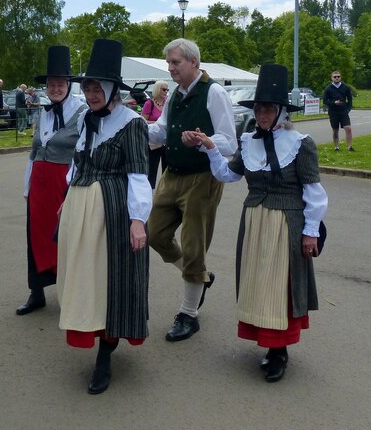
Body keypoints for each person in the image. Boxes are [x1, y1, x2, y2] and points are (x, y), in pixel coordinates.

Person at [188, 64, 328, 382]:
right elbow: (228, 174)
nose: (262, 114)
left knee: (279, 287)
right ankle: (267, 344)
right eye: (259, 108)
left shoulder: (301, 143)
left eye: (268, 109)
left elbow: (315, 193)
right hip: (253, 221)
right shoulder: (249, 140)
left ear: (280, 111)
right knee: (258, 283)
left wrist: (310, 231)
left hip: (286, 224)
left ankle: (279, 351)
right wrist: (211, 148)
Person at [57, 39, 151, 395]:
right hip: (80, 210)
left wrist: (138, 219)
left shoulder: (132, 124)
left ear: (113, 89)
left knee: (108, 280)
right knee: (85, 280)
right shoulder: (87, 121)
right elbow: (76, 163)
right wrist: (69, 196)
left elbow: (139, 174)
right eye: (88, 87)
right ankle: (91, 332)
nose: (92, 94)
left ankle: (105, 353)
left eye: (98, 87)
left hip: (112, 211)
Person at [148, 38, 237, 342]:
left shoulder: (214, 92)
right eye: (169, 63)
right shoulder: (174, 94)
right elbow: (161, 130)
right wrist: (134, 126)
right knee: (154, 234)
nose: (170, 68)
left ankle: (189, 313)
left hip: (202, 178)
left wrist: (203, 140)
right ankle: (201, 278)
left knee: (194, 245)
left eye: (176, 63)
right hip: (172, 175)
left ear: (194, 63)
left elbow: (230, 141)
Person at [17, 46, 87, 315]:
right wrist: (27, 187)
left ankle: (71, 294)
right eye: (51, 84)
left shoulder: (82, 114)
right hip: (39, 186)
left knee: (66, 237)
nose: (55, 88)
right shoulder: (44, 113)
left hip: (64, 184)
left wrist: (74, 189)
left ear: (69, 85)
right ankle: (36, 293)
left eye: (60, 83)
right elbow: (34, 153)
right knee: (35, 236)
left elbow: (83, 154)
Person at [140, 80, 169, 188]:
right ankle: (149, 192)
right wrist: (157, 123)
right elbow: (143, 120)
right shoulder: (149, 103)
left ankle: (166, 191)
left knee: (167, 169)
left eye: (167, 89)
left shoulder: (168, 103)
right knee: (152, 168)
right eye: (163, 89)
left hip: (166, 141)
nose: (166, 91)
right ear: (157, 89)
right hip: (153, 142)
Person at [323, 71, 353, 151]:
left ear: (340, 77)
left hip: (343, 111)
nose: (337, 78)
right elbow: (325, 100)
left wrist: (348, 108)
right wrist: (334, 103)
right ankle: (336, 146)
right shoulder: (328, 88)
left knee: (348, 128)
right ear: (332, 78)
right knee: (335, 129)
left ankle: (350, 147)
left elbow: (350, 98)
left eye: (338, 76)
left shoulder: (345, 87)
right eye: (335, 77)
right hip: (333, 112)